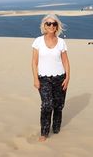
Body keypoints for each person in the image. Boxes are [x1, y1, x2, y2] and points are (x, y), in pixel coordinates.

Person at [31, 14, 71, 142]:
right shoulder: (38, 41)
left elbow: (66, 62)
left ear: (57, 26)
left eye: (54, 24)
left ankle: (56, 128)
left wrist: (67, 78)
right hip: (43, 79)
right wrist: (35, 79)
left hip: (60, 78)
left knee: (59, 106)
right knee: (47, 105)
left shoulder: (61, 42)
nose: (51, 26)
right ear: (44, 26)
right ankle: (44, 132)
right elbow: (34, 62)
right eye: (48, 23)